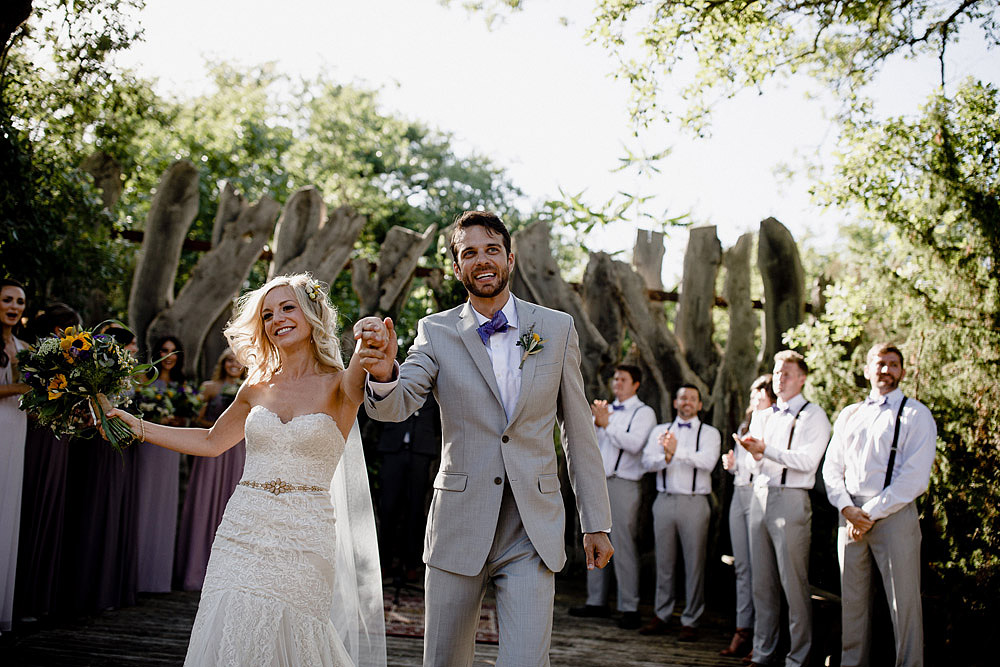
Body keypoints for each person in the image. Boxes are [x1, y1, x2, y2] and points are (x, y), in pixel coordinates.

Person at [356, 211, 613, 667]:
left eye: (491, 249)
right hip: (460, 520)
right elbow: (397, 404)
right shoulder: (435, 331)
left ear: (509, 259)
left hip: (530, 528)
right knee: (444, 661)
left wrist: (596, 521)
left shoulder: (555, 328)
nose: (482, 260)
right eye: (469, 253)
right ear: (458, 268)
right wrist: (381, 372)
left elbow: (576, 429)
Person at [108, 273, 385, 666]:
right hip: (243, 526)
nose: (277, 320)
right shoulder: (255, 387)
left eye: (288, 308)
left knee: (293, 633)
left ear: (311, 314)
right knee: (231, 625)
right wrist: (137, 426)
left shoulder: (341, 385)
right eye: (268, 314)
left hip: (305, 533)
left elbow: (367, 355)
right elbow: (210, 442)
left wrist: (369, 329)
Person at [822, 343, 936, 667]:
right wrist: (847, 509)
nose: (886, 370)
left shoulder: (916, 414)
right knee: (853, 603)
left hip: (893, 515)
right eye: (879, 363)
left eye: (893, 364)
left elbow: (915, 478)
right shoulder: (850, 414)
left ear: (901, 371)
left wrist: (868, 514)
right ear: (867, 370)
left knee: (904, 605)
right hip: (850, 515)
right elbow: (831, 468)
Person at [738, 350, 831, 667]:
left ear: (802, 378)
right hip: (760, 494)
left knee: (793, 582)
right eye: (777, 372)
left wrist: (768, 450)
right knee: (761, 582)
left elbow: (808, 462)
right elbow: (757, 461)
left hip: (791, 499)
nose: (780, 378)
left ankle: (797, 657)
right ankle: (763, 653)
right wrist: (754, 453)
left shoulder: (813, 415)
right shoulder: (764, 415)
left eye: (787, 373)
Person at [569, 364, 656, 629]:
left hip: (623, 484)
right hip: (598, 483)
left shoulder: (644, 412)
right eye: (615, 378)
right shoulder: (605, 409)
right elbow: (589, 444)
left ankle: (628, 606)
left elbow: (634, 445)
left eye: (623, 379)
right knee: (592, 537)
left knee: (623, 543)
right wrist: (597, 424)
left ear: (636, 383)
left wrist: (607, 425)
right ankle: (596, 601)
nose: (617, 383)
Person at [15, 303, 83, 622]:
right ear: (58, 331)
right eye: (71, 329)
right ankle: (21, 596)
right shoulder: (34, 357)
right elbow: (29, 400)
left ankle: (38, 596)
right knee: (31, 507)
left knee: (51, 509)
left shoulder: (73, 360)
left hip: (60, 439)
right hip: (35, 435)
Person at [638, 383, 721, 642]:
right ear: (675, 402)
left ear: (699, 405)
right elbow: (645, 462)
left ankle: (691, 619)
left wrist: (675, 452)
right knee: (664, 562)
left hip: (694, 503)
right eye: (682, 397)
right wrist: (666, 457)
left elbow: (707, 462)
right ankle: (662, 614)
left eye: (692, 399)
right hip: (664, 501)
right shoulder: (660, 430)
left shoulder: (709, 433)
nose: (686, 402)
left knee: (694, 563)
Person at [173, 348, 247, 591]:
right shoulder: (209, 388)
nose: (233, 365)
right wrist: (217, 426)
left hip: (239, 453)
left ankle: (229, 573)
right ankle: (196, 570)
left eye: (238, 361)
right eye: (229, 360)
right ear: (222, 363)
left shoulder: (252, 389)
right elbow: (197, 419)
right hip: (212, 455)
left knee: (233, 503)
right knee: (205, 502)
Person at [720, 374, 776, 658]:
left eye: (761, 395)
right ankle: (743, 628)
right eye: (753, 396)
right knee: (742, 566)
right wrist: (732, 466)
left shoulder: (774, 426)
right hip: (739, 494)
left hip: (761, 496)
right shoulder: (745, 426)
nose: (756, 400)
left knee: (761, 570)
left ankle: (763, 638)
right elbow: (744, 469)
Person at [134, 335, 186, 593]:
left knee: (164, 502)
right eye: (164, 351)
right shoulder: (144, 379)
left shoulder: (182, 385)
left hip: (171, 448)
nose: (169, 356)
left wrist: (178, 419)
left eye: (174, 351)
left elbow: (193, 418)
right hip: (146, 445)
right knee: (142, 499)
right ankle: (134, 572)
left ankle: (157, 577)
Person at [376, 393, 440, 584]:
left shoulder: (434, 394)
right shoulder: (397, 383)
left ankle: (411, 565)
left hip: (420, 453)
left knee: (415, 510)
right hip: (393, 451)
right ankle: (384, 563)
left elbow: (439, 424)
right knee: (387, 508)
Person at [0, 278, 29, 634]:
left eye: (20, 301)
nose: (14, 306)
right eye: (7, 299)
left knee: (7, 510)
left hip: (16, 429)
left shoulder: (24, 347)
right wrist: (23, 386)